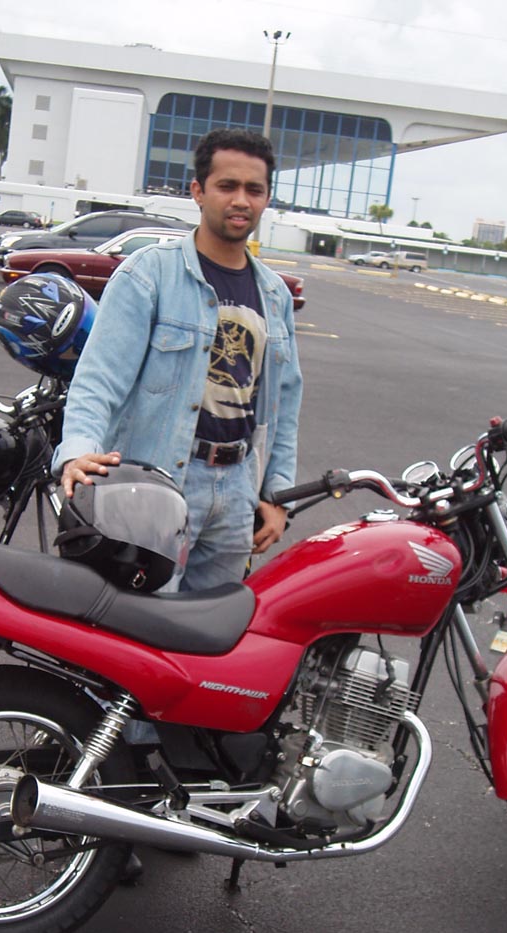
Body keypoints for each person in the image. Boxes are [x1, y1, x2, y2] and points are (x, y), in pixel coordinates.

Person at [52, 127, 303, 591]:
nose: (241, 200)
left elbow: (283, 404)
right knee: (138, 620)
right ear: (198, 192)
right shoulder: (149, 274)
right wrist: (78, 451)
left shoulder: (274, 295)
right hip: (156, 483)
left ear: (267, 198)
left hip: (238, 488)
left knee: (212, 627)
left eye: (254, 189)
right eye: (227, 186)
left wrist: (277, 494)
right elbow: (99, 379)